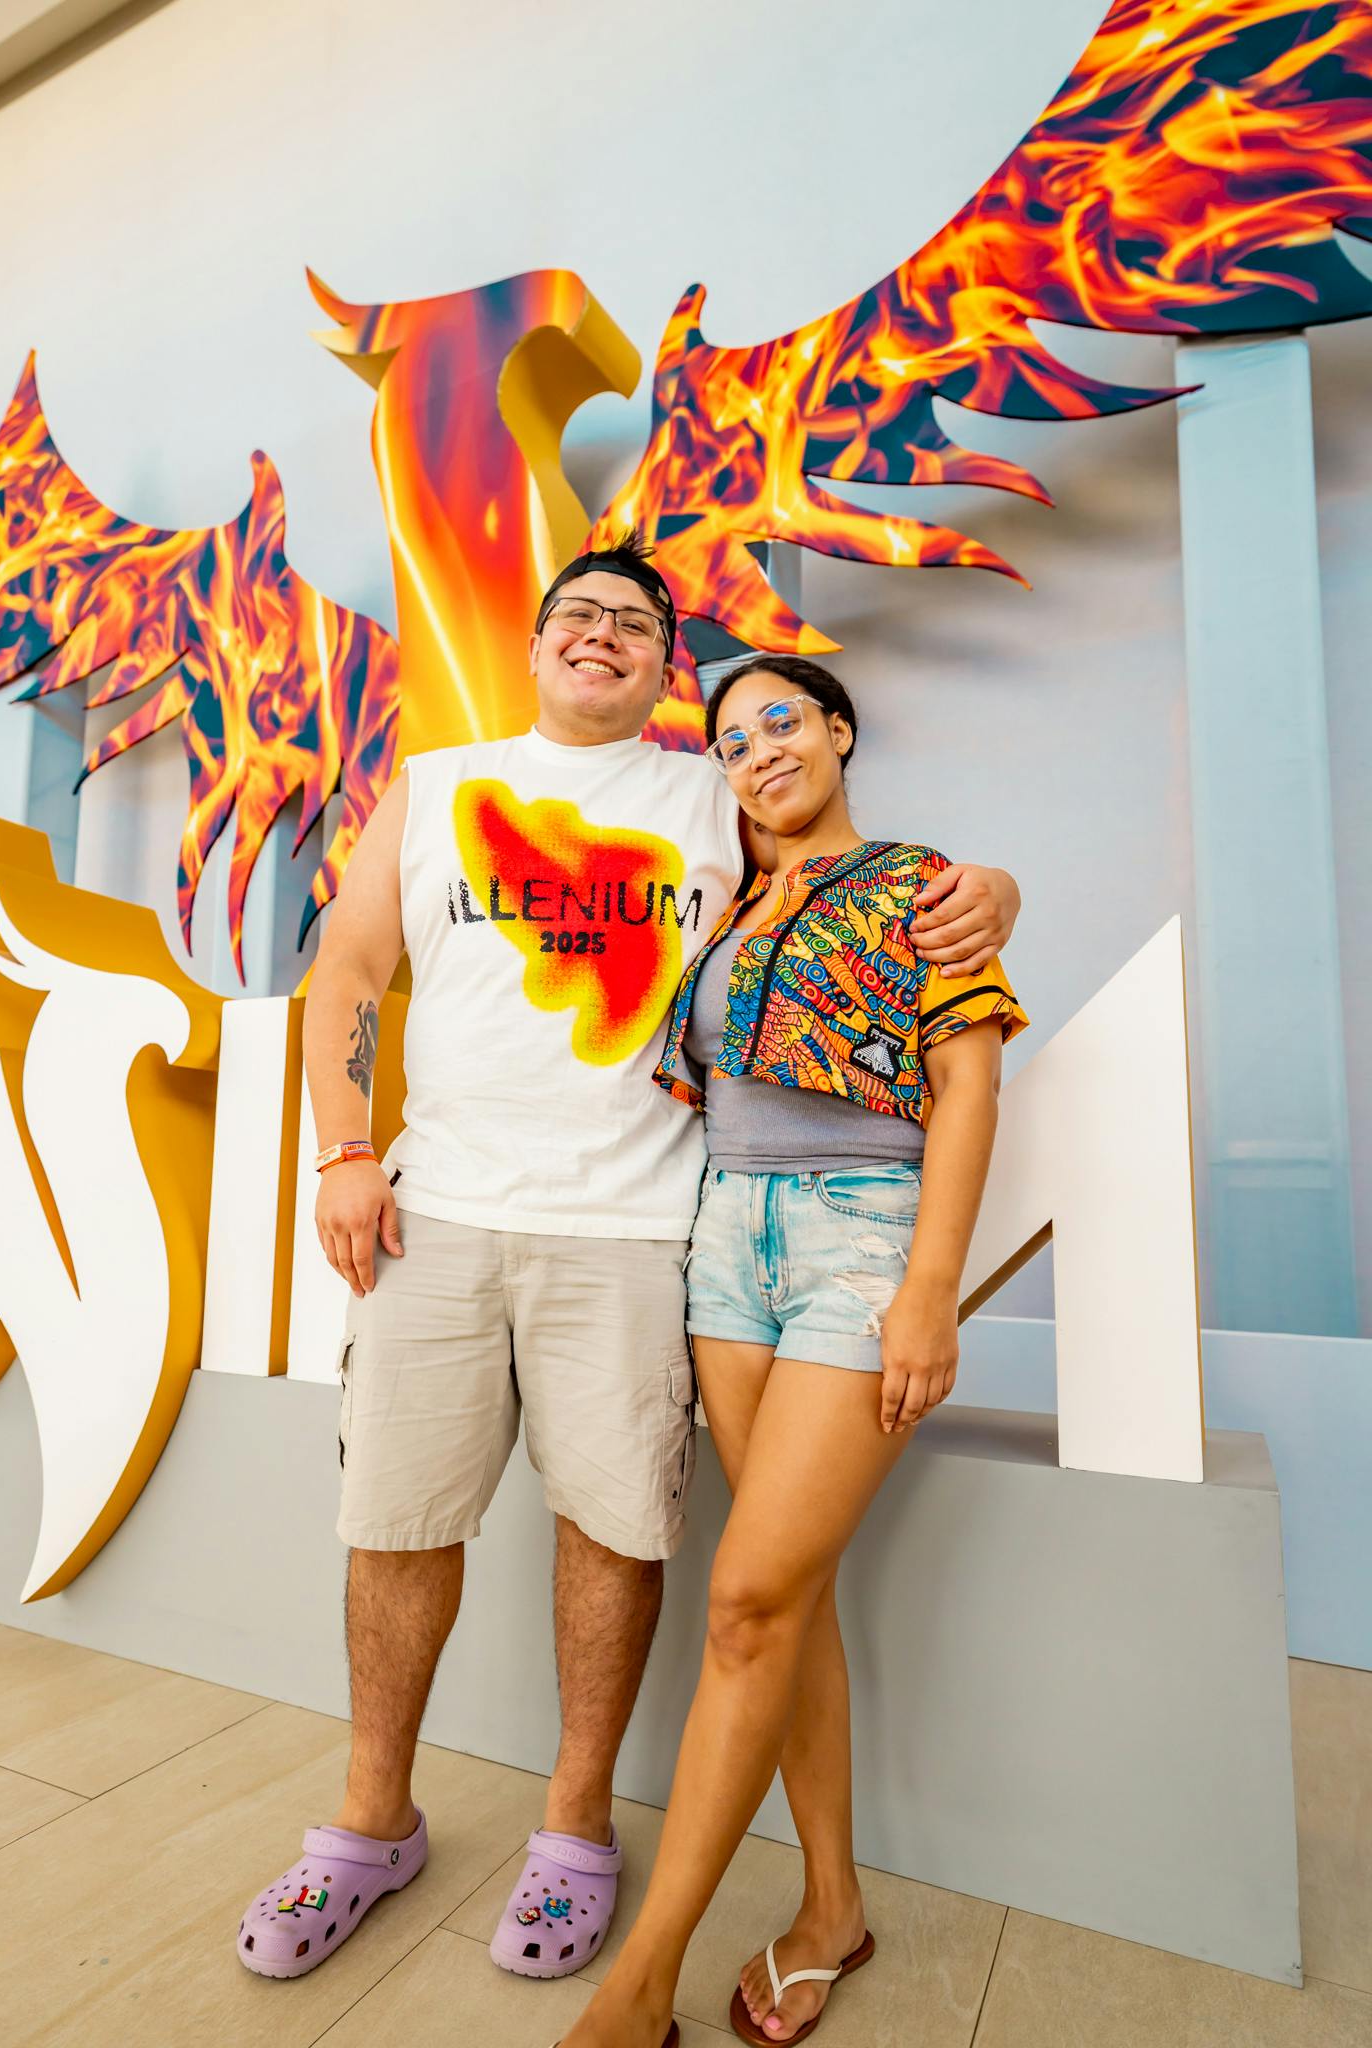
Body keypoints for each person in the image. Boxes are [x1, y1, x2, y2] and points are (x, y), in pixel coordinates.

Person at [235, 536, 1023, 1986]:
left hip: (644, 1229)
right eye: (576, 614)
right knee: (395, 1525)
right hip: (436, 1212)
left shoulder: (710, 794)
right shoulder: (439, 784)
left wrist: (995, 890)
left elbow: (857, 879)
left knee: (613, 1533)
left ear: (666, 668)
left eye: (635, 624)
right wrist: (344, 1151)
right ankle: (368, 1824)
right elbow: (346, 968)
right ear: (537, 645)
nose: (601, 633)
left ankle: (576, 1830)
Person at [557, 653, 1028, 2048]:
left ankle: (640, 1985)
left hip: (861, 1238)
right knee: (790, 1599)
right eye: (731, 739)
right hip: (726, 1252)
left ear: (838, 732)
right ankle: (833, 1908)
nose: (758, 749)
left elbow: (967, 1081)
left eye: (782, 722)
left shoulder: (921, 882)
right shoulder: (725, 904)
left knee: (748, 1602)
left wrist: (930, 1288)